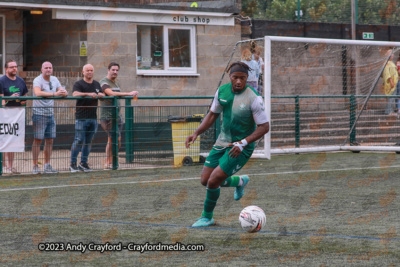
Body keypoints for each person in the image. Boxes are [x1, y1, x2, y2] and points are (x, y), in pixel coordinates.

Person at [185, 62, 270, 227]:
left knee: (213, 182)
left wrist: (243, 143)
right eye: (235, 77)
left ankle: (207, 217)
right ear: (229, 77)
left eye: (242, 78)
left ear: (247, 78)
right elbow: (212, 115)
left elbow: (264, 127)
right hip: (222, 142)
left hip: (240, 148)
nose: (239, 81)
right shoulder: (222, 91)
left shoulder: (254, 98)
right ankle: (239, 181)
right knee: (205, 180)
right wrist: (196, 133)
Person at [99, 62, 138, 170]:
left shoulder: (116, 83)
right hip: (107, 116)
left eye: (117, 70)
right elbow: (110, 93)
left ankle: (111, 160)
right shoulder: (103, 82)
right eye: (113, 70)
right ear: (108, 70)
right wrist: (128, 93)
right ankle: (108, 162)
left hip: (117, 116)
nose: (115, 72)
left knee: (117, 139)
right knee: (113, 138)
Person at [32, 61, 68, 174]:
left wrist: (64, 92)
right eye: (46, 68)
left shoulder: (55, 79)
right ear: (41, 69)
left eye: (50, 68)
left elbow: (61, 90)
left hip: (50, 114)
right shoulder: (37, 80)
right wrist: (55, 95)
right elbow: (37, 93)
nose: (48, 69)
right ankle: (35, 166)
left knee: (50, 140)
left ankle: (47, 165)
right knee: (38, 140)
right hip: (39, 114)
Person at [70, 64, 105, 172]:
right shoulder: (78, 83)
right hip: (81, 117)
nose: (89, 72)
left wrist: (100, 95)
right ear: (83, 72)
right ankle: (72, 164)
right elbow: (75, 94)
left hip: (93, 117)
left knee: (88, 141)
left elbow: (103, 95)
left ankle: (83, 163)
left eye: (91, 70)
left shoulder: (96, 84)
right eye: (87, 70)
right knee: (78, 140)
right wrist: (88, 94)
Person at [0, 60, 28, 174]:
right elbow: (1, 100)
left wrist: (21, 100)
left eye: (16, 67)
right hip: (4, 115)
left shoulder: (21, 81)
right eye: (11, 67)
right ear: (6, 69)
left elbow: (25, 97)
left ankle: (10, 167)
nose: (14, 69)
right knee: (3, 140)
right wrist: (11, 97)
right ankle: (3, 166)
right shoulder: (1, 81)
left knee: (13, 141)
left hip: (17, 114)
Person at [382, 50, 398, 115]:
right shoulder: (386, 63)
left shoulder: (391, 62)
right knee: (390, 98)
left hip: (394, 83)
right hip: (390, 84)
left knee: (392, 98)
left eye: (393, 54)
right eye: (391, 54)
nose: (393, 55)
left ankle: (390, 110)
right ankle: (389, 111)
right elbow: (387, 74)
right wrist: (391, 82)